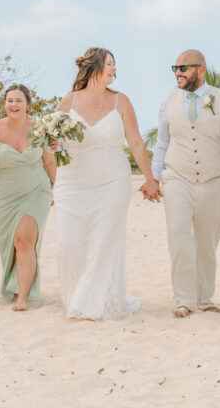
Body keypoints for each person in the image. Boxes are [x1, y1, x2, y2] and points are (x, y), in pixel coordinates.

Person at [53, 47, 159, 320]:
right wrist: (53, 150)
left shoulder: (120, 101)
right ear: (95, 67)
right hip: (72, 183)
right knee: (70, 244)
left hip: (113, 181)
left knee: (103, 243)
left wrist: (149, 178)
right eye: (109, 64)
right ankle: (76, 296)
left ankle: (93, 303)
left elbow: (135, 141)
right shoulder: (68, 102)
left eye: (114, 64)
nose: (114, 68)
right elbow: (52, 142)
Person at [148, 50, 220, 318]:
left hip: (214, 179)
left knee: (207, 242)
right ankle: (184, 299)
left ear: (200, 70)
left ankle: (205, 298)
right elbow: (162, 143)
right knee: (179, 238)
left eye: (184, 68)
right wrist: (153, 177)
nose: (178, 73)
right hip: (177, 177)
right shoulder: (167, 102)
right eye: (175, 68)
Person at [0, 84, 55, 311]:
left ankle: (23, 297)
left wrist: (54, 188)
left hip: (36, 191)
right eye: (10, 100)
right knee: (10, 244)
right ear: (4, 104)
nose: (13, 105)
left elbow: (49, 162)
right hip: (3, 195)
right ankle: (14, 286)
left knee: (24, 241)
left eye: (18, 100)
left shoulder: (41, 128)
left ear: (27, 105)